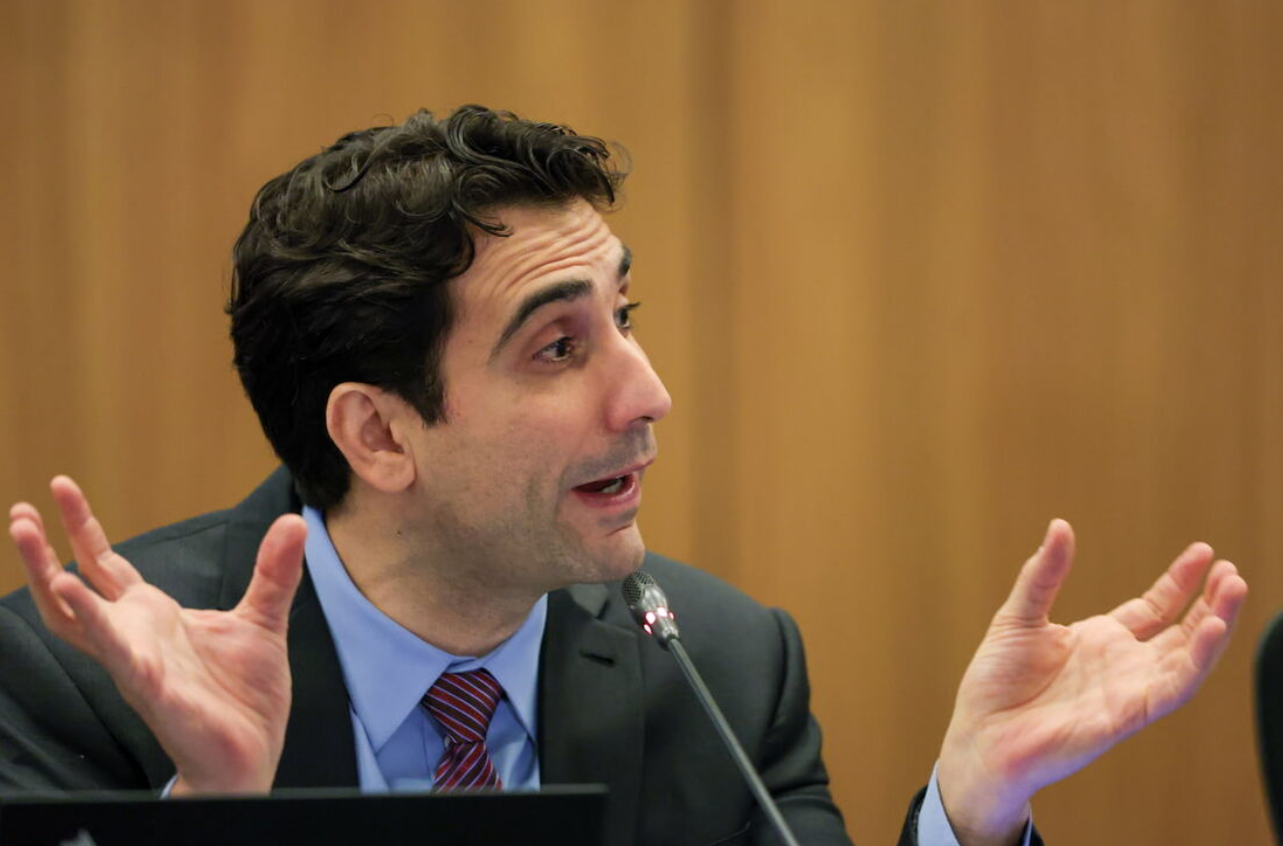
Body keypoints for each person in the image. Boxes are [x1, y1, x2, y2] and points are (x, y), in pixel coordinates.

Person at [2, 106, 1247, 846]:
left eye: (624, 317)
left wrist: (968, 815)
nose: (647, 394)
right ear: (377, 435)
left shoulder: (722, 665)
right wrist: (210, 814)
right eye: (557, 347)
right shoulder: (80, 678)